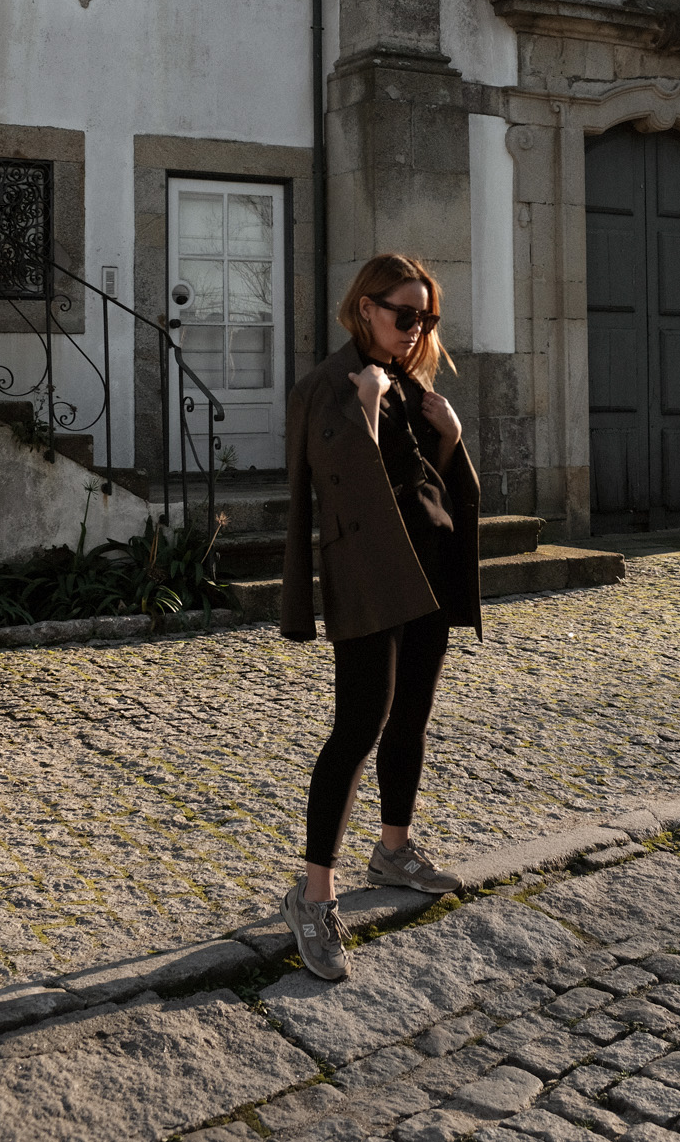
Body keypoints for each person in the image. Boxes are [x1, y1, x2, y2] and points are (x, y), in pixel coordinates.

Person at [279, 253, 481, 981]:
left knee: (411, 719)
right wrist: (364, 411)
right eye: (404, 314)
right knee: (357, 727)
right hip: (368, 575)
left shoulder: (411, 381)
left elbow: (423, 481)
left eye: (426, 317)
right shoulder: (325, 388)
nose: (416, 328)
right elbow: (333, 498)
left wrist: (450, 439)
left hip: (427, 567)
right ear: (365, 306)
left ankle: (393, 847)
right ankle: (313, 893)